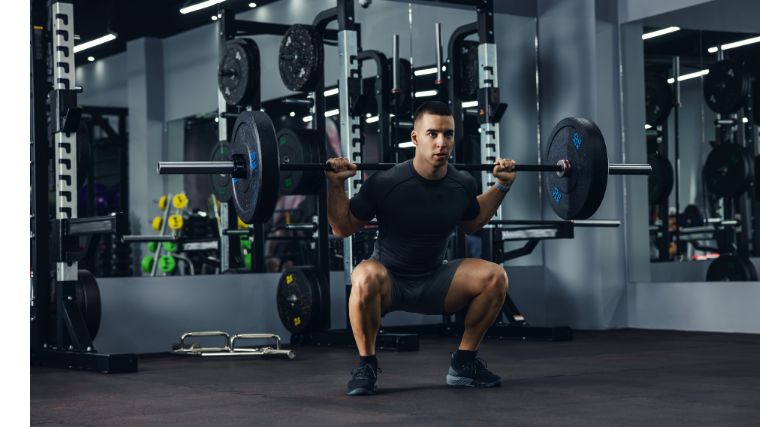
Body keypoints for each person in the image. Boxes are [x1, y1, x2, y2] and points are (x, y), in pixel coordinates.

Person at [326, 101, 516, 396]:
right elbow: (342, 228)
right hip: (389, 281)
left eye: (448, 134)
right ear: (415, 138)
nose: (442, 143)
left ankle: (464, 364)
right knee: (364, 275)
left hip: (435, 280)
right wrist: (336, 186)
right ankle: (367, 365)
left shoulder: (462, 183)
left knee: (495, 276)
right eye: (433, 134)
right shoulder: (386, 182)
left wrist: (501, 187)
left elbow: (472, 222)